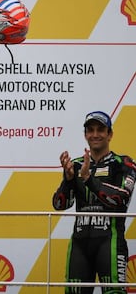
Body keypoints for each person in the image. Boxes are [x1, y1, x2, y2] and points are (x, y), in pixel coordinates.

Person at [52, 111, 136, 294]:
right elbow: (59, 205)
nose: (95, 134)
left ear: (110, 134)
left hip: (110, 243)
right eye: (90, 130)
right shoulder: (75, 165)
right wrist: (68, 180)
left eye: (100, 130)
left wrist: (88, 179)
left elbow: (120, 200)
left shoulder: (124, 163)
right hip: (80, 245)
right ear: (85, 135)